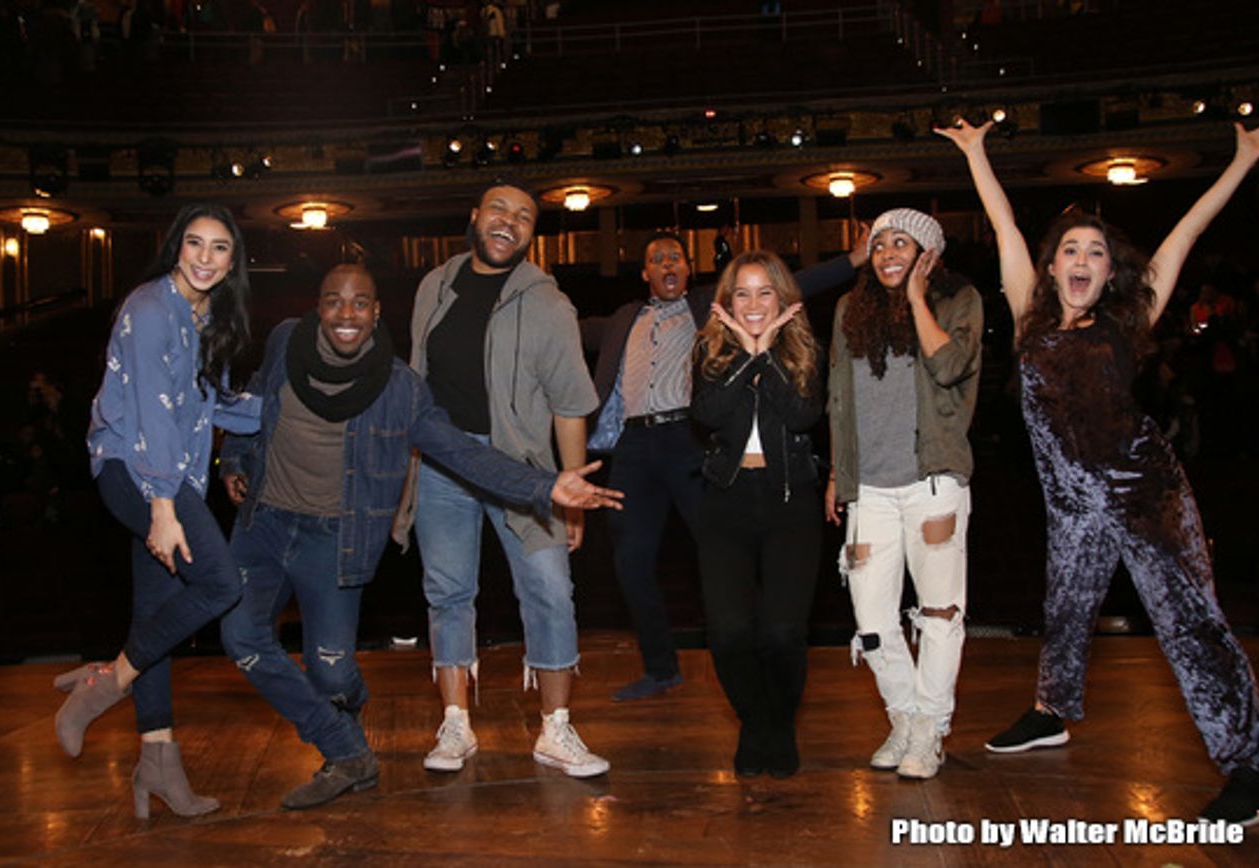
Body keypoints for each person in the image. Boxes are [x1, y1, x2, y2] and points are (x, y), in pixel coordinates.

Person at [938, 117, 1259, 824]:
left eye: (1095, 252)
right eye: (1069, 249)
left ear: (1110, 273)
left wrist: (1243, 159)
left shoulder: (1127, 322)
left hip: (1145, 495)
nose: (1081, 259)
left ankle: (1257, 776)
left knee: (1191, 628)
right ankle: (1051, 713)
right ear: (1051, 267)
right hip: (1073, 505)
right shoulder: (1029, 321)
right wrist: (976, 152)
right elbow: (1004, 225)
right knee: (1065, 612)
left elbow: (1185, 235)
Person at [217, 265, 622, 809]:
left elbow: (462, 452)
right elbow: (253, 404)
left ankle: (344, 703)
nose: (345, 314)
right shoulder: (287, 340)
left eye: (360, 303)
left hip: (332, 537)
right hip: (263, 524)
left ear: (377, 311)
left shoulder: (400, 387)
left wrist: (545, 484)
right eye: (333, 301)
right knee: (241, 638)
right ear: (317, 306)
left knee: (332, 674)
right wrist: (234, 458)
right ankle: (344, 748)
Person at [584, 232, 862, 701]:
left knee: (723, 554)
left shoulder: (709, 306)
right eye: (658, 258)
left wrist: (852, 259)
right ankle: (660, 667)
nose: (668, 263)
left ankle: (758, 646)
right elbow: (564, 325)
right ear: (645, 272)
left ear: (689, 269)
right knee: (630, 560)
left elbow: (788, 284)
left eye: (676, 256)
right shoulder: (622, 319)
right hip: (634, 445)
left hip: (690, 440)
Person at [392, 182, 608, 777]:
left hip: (524, 471)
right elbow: (415, 383)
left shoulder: (548, 304)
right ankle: (456, 724)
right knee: (448, 591)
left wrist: (571, 497)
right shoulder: (433, 286)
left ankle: (555, 731)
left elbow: (570, 406)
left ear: (531, 234)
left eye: (524, 216)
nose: (509, 222)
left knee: (548, 591)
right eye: (499, 210)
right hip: (442, 461)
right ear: (475, 217)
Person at [57, 203, 261, 818]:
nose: (204, 257)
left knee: (154, 615)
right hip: (134, 469)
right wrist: (164, 509)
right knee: (221, 582)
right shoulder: (149, 308)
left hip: (171, 478)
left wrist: (290, 408)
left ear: (233, 261)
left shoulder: (207, 319)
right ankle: (102, 688)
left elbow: (215, 407)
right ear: (176, 248)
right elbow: (149, 413)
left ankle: (158, 765)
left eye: (219, 247)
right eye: (194, 243)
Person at [825, 208, 982, 779]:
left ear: (929, 254)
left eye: (903, 243)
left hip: (933, 482)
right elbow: (837, 397)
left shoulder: (958, 300)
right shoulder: (849, 310)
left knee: (939, 615)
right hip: (868, 488)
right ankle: (906, 717)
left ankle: (930, 730)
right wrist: (839, 474)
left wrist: (918, 299)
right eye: (879, 243)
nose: (888, 253)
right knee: (870, 620)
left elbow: (949, 366)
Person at [691, 250, 823, 778]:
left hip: (791, 501)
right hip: (726, 502)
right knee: (727, 632)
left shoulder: (805, 350)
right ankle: (755, 722)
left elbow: (803, 413)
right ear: (727, 302)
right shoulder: (710, 350)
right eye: (741, 293)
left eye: (764, 292)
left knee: (784, 632)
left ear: (783, 299)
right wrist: (747, 353)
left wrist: (767, 354)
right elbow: (708, 414)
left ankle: (780, 723)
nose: (752, 303)